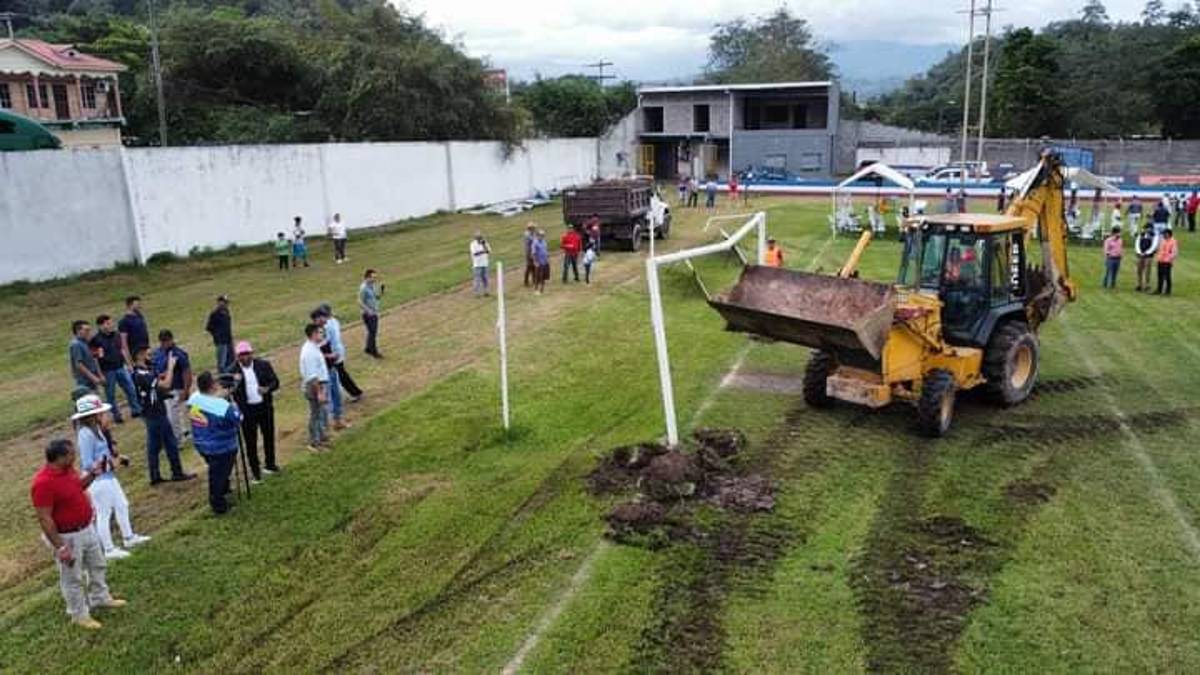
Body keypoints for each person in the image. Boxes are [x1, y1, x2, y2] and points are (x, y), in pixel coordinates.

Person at [31, 438, 127, 630]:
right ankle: (79, 614)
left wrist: (93, 474)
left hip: (86, 528)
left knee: (97, 564)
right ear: (59, 458)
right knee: (72, 577)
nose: (75, 456)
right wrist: (61, 547)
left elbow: (77, 488)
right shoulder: (42, 484)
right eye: (71, 454)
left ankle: (100, 598)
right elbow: (45, 519)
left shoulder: (68, 471)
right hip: (68, 537)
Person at [73, 394, 150, 560]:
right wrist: (110, 465)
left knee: (122, 504)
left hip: (108, 477)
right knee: (104, 513)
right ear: (92, 415)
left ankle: (129, 537)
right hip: (98, 481)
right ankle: (108, 549)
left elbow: (105, 453)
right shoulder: (86, 434)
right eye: (100, 413)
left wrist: (116, 460)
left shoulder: (97, 431)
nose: (104, 415)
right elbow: (87, 463)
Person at [131, 345, 193, 485]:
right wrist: (171, 367)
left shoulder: (142, 372)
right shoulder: (143, 374)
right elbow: (165, 384)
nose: (150, 356)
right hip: (156, 413)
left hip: (150, 413)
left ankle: (155, 476)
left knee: (153, 445)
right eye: (147, 354)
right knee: (170, 443)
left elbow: (156, 381)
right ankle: (176, 472)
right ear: (140, 355)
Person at [187, 372, 243, 515]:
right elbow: (237, 418)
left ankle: (224, 491)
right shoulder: (222, 406)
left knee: (217, 472)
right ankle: (218, 504)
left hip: (201, 443)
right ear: (212, 385)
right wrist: (234, 405)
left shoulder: (194, 398)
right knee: (218, 475)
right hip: (221, 447)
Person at [230, 341, 280, 481]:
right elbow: (227, 389)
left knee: (268, 436)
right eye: (242, 355)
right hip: (247, 412)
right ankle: (255, 471)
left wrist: (267, 389)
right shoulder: (233, 371)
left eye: (247, 354)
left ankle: (270, 464)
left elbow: (275, 382)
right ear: (237, 356)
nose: (245, 357)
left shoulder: (263, 365)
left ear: (251, 353)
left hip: (264, 408)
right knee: (251, 442)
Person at [90, 315, 140, 424]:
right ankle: (116, 415)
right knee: (110, 395)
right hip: (107, 370)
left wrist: (129, 364)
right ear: (100, 326)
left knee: (130, 389)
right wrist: (100, 374)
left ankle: (136, 409)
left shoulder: (116, 335)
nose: (110, 325)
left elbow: (122, 349)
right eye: (107, 324)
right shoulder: (95, 340)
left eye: (110, 323)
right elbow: (95, 359)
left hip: (120, 366)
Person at [311, 308, 351, 431]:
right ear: (317, 319)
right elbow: (313, 353)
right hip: (323, 373)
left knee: (337, 394)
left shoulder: (323, 330)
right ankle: (324, 428)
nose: (326, 319)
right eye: (323, 317)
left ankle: (338, 421)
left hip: (332, 367)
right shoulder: (313, 334)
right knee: (325, 399)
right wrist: (330, 356)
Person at [152, 329, 192, 443]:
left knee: (174, 415)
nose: (164, 344)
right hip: (163, 390)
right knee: (171, 415)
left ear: (171, 340)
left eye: (166, 341)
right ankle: (181, 433)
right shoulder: (158, 353)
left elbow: (186, 372)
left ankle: (178, 439)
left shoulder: (179, 354)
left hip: (176, 387)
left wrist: (186, 389)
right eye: (162, 341)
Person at [316, 302, 362, 401]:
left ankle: (354, 392)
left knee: (340, 374)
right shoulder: (334, 321)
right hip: (338, 349)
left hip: (333, 352)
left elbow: (324, 340)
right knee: (340, 373)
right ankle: (352, 392)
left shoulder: (326, 326)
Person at [299, 323, 331, 451]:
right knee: (316, 415)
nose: (322, 334)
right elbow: (312, 376)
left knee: (320, 413)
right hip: (315, 386)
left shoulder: (313, 347)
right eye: (320, 332)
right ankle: (314, 442)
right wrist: (320, 392)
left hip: (318, 384)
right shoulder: (309, 352)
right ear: (313, 334)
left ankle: (321, 437)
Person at [69, 320, 103, 396]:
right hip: (84, 381)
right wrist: (94, 377)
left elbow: (93, 359)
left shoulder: (85, 342)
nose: (89, 332)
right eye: (86, 330)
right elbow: (79, 365)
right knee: (91, 403)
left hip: (91, 380)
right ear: (78, 331)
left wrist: (99, 375)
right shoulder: (76, 344)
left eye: (89, 330)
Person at [205, 295, 234, 373]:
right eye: (224, 302)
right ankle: (222, 376)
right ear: (219, 302)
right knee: (222, 361)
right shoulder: (215, 314)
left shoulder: (226, 311)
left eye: (226, 303)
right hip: (221, 341)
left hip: (229, 339)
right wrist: (217, 335)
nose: (226, 304)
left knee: (231, 359)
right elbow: (208, 327)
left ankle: (230, 374)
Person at [117, 296, 150, 363]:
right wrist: (130, 360)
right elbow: (124, 342)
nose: (139, 306)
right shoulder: (124, 321)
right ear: (130, 305)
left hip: (145, 351)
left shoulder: (139, 316)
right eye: (137, 304)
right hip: (135, 354)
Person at [359, 269, 383, 358]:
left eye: (375, 277)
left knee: (372, 332)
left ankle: (368, 348)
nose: (374, 279)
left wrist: (381, 291)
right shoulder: (364, 288)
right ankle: (374, 352)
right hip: (368, 314)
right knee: (373, 332)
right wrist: (368, 311)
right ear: (367, 277)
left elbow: (376, 297)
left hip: (374, 312)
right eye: (373, 277)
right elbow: (360, 301)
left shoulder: (372, 286)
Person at [1134, 221, 1160, 292]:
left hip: (1149, 255)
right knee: (1139, 269)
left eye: (1149, 228)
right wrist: (1139, 252)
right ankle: (1139, 284)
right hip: (1140, 254)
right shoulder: (1141, 235)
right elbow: (1137, 243)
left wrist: (1147, 253)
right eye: (1146, 228)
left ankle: (1147, 284)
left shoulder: (1154, 235)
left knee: (1147, 270)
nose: (1147, 230)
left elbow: (1154, 246)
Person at [1155, 228, 1178, 296]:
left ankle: (1168, 291)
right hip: (1160, 260)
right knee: (1160, 275)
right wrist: (1158, 257)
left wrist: (1169, 259)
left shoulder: (1173, 241)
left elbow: (1174, 253)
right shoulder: (1162, 241)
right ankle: (1159, 289)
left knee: (1167, 276)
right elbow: (1160, 250)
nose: (1163, 235)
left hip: (1167, 262)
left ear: (1168, 234)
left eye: (1165, 234)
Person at [470, 232, 491, 296]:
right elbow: (475, 253)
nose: (480, 239)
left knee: (485, 278)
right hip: (477, 264)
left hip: (485, 263)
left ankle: (486, 291)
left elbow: (489, 251)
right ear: (475, 238)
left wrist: (484, 245)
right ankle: (476, 292)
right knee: (477, 279)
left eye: (481, 237)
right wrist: (483, 251)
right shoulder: (473, 244)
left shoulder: (485, 243)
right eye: (478, 238)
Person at [532, 229, 550, 295]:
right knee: (538, 276)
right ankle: (536, 290)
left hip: (545, 261)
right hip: (539, 262)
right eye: (541, 235)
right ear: (538, 235)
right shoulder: (535, 243)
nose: (542, 236)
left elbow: (546, 250)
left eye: (543, 235)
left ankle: (542, 289)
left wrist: (547, 257)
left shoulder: (544, 242)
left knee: (543, 276)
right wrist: (535, 261)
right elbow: (533, 253)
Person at [523, 223, 537, 287]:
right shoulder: (527, 234)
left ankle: (534, 280)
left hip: (532, 252)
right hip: (528, 252)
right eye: (533, 227)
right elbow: (533, 240)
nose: (534, 229)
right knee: (529, 267)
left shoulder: (532, 234)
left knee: (533, 266)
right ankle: (526, 281)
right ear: (530, 228)